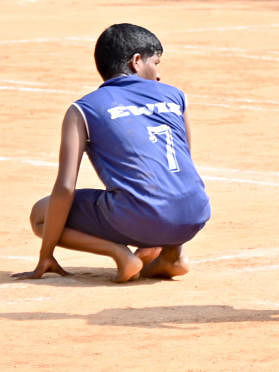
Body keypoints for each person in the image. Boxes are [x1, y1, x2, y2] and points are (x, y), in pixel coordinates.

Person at [13, 24, 210, 283]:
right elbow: (183, 166)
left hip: (141, 216)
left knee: (41, 214)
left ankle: (120, 255)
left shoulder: (83, 108)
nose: (159, 75)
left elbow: (65, 187)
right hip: (195, 213)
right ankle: (173, 255)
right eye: (156, 63)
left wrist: (46, 253)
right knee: (166, 187)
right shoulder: (176, 96)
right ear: (136, 61)